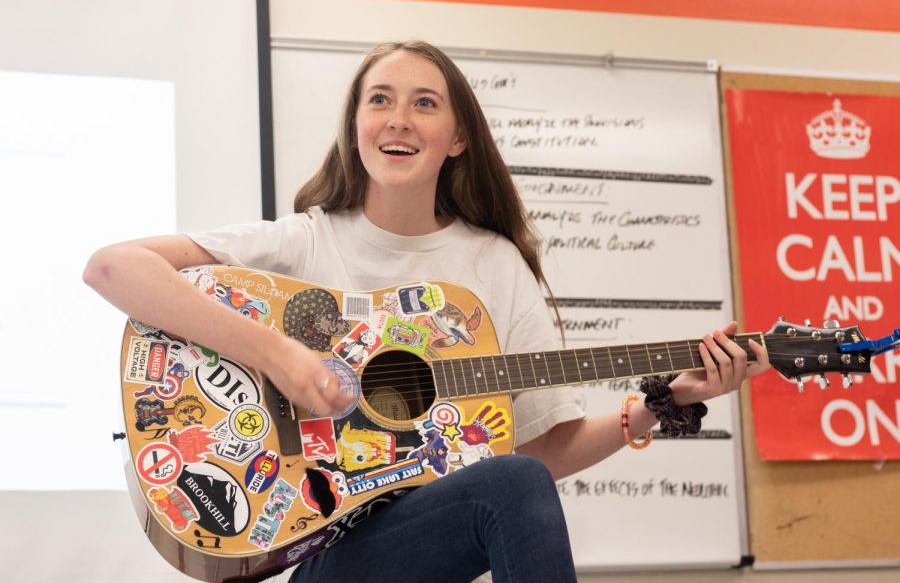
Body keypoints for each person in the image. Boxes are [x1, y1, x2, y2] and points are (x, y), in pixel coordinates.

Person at [84, 40, 770, 583]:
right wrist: (279, 356)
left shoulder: (492, 266)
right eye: (379, 100)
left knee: (516, 478)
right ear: (357, 127)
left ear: (458, 137)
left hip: (426, 542)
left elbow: (535, 455)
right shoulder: (307, 240)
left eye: (425, 104)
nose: (399, 119)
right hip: (321, 552)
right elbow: (114, 267)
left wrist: (661, 403)